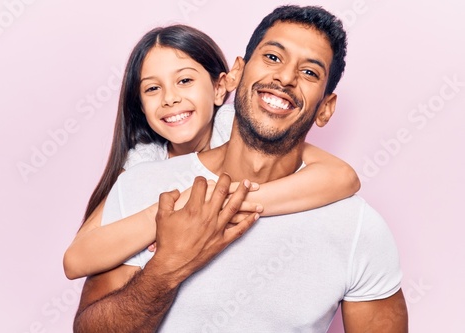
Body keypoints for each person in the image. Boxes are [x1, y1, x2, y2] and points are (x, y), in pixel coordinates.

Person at [74, 5, 409, 332]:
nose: (286, 77)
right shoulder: (141, 185)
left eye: (309, 72)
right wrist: (168, 268)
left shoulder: (359, 228)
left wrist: (227, 201)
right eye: (273, 57)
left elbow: (344, 177)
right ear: (238, 72)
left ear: (325, 108)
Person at [63, 24, 361, 280]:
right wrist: (170, 217)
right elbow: (76, 259)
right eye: (152, 89)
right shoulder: (145, 162)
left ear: (221, 87)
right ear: (140, 106)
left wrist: (220, 206)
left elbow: (342, 176)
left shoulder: (236, 123)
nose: (170, 99)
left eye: (185, 81)